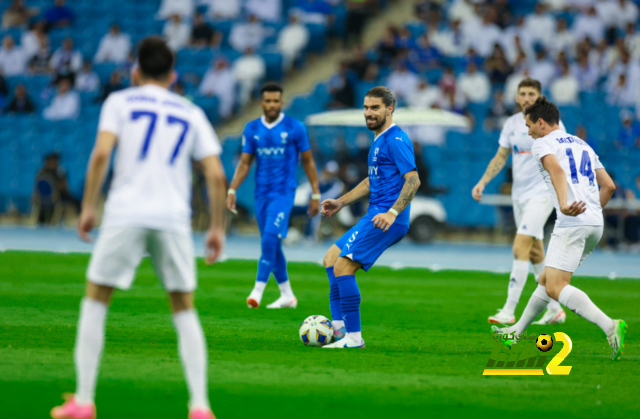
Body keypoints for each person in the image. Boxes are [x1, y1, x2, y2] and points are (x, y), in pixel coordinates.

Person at [50, 36, 226, 419]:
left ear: (135, 71)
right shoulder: (190, 111)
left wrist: (88, 207)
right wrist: (216, 228)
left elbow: (101, 154)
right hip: (172, 218)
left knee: (96, 298)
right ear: (173, 75)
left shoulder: (120, 102)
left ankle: (83, 400)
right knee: (184, 308)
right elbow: (215, 175)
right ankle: (200, 406)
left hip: (126, 212)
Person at [494, 96, 626, 362]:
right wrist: (592, 213)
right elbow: (609, 186)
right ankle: (515, 332)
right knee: (545, 280)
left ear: (541, 123)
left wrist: (564, 204)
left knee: (555, 286)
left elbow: (556, 170)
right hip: (594, 223)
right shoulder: (582, 144)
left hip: (571, 222)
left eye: (529, 125)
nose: (528, 132)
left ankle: (610, 325)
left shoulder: (543, 143)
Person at [320, 87, 421, 348]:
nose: (369, 113)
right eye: (366, 108)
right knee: (331, 258)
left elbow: (413, 180)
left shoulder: (396, 140)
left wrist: (393, 212)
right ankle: (340, 330)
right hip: (374, 214)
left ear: (390, 108)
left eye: (375, 108)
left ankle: (354, 338)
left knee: (343, 266)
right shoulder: (378, 139)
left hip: (387, 219)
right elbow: (370, 181)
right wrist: (341, 202)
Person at [472, 78, 567, 326]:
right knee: (535, 250)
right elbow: (501, 156)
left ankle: (509, 309)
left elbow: (563, 157)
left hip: (543, 194)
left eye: (531, 93)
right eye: (522, 93)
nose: (526, 98)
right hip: (519, 195)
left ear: (539, 97)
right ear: (516, 97)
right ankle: (555, 308)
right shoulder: (512, 124)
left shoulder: (551, 124)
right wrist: (482, 182)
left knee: (519, 246)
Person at [226, 83, 321, 309]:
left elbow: (307, 160)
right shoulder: (251, 129)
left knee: (269, 238)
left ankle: (257, 291)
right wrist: (232, 189)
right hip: (261, 195)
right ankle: (287, 295)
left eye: (276, 101)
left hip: (283, 193)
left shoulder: (295, 127)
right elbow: (245, 162)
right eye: (267, 101)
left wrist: (316, 192)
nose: (271, 105)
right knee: (273, 245)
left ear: (281, 102)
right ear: (261, 103)